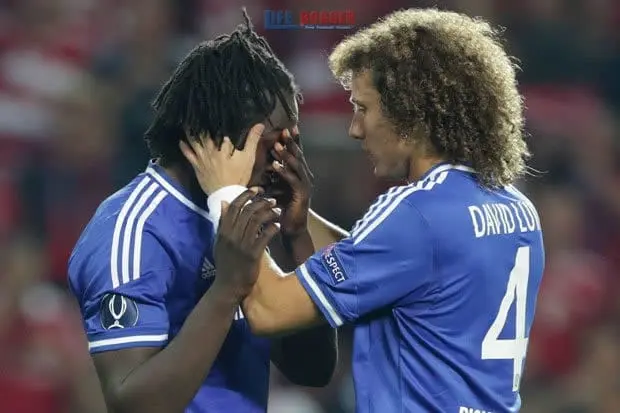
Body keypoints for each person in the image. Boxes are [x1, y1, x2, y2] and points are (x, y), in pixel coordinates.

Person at [187, 8, 545, 413]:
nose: (355, 128)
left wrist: (227, 191)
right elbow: (396, 265)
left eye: (364, 108)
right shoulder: (517, 208)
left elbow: (271, 311)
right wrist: (301, 225)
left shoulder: (415, 212)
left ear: (410, 112)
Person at [67, 13, 347, 413]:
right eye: (273, 144)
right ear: (217, 137)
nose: (286, 160)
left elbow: (311, 368)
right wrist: (227, 288)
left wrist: (296, 236)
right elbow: (132, 404)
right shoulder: (132, 231)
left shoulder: (236, 208)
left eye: (292, 143)